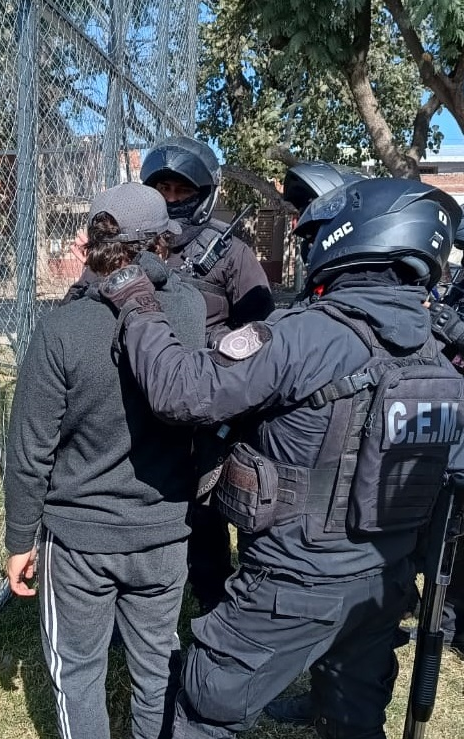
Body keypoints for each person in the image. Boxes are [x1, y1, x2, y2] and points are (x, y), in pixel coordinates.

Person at [96, 178, 463, 739]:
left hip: (294, 579)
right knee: (358, 724)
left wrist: (135, 301)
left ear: (348, 242)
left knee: (207, 698)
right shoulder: (436, 353)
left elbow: (184, 390)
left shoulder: (307, 335)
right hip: (381, 584)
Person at [3, 182, 208, 739]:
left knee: (78, 672)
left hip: (81, 541)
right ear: (161, 242)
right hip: (164, 535)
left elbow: (30, 450)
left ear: (94, 244)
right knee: (156, 659)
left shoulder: (63, 328)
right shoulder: (188, 310)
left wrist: (19, 539)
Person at [265, 164, 464, 729]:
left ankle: (347, 713)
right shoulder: (317, 313)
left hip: (402, 499)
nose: (306, 243)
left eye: (313, 232)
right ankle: (326, 702)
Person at [141, 136, 275, 614]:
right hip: (144, 394)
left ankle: (212, 597)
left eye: (183, 190)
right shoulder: (136, 245)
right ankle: (137, 592)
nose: (173, 198)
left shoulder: (232, 253)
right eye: (164, 190)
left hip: (206, 403)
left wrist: (220, 354)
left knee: (206, 508)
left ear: (204, 193)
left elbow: (262, 327)